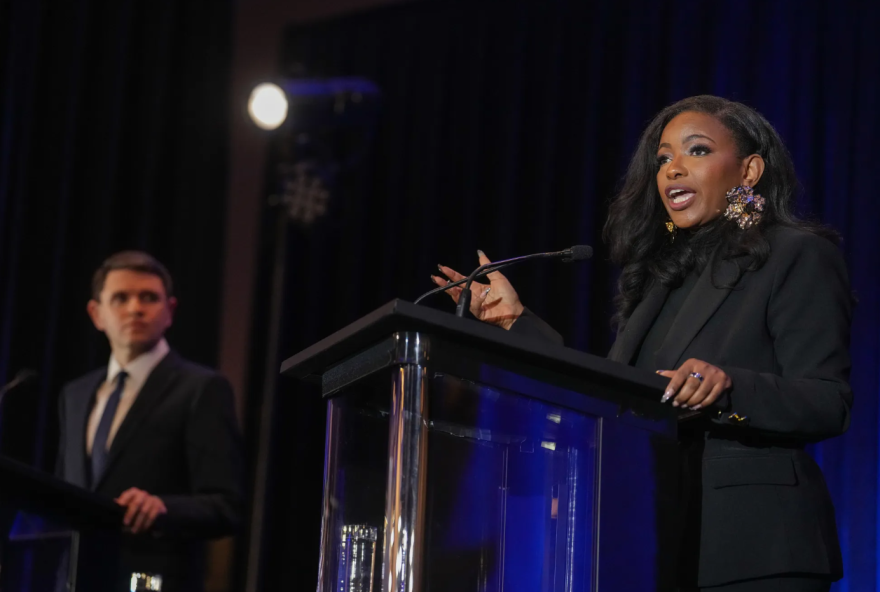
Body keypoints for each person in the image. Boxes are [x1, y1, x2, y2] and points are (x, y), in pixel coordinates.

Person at [432, 95, 852, 592]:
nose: (673, 169)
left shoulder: (796, 254)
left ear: (749, 170)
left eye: (695, 151)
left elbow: (828, 401)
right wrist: (515, 324)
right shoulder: (658, 280)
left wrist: (729, 387)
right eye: (663, 159)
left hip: (755, 549)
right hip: (655, 546)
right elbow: (614, 399)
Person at [55, 251, 244, 591]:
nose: (135, 308)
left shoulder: (202, 389)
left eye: (149, 298)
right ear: (96, 314)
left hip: (149, 580)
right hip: (74, 581)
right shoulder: (75, 394)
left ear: (170, 310)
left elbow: (226, 506)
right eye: (120, 298)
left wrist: (162, 508)